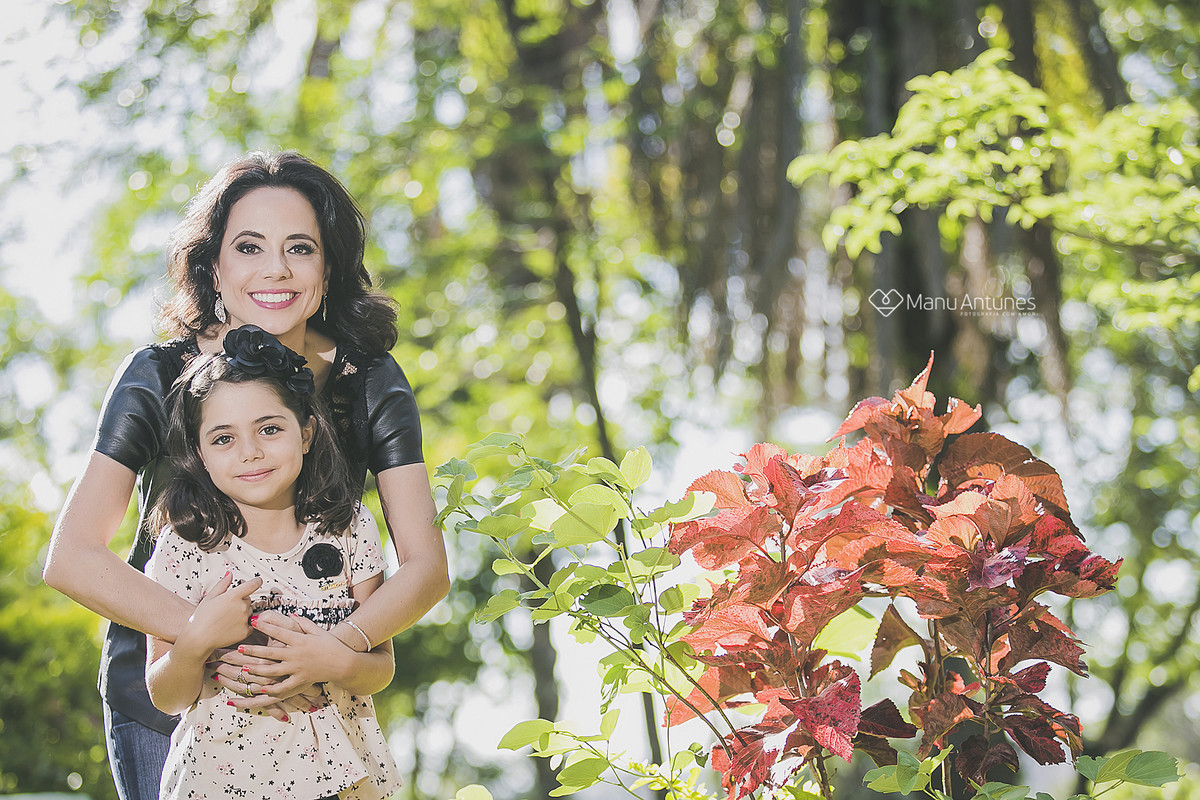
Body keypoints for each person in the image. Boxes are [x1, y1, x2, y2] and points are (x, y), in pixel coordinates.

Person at [43, 151, 450, 800]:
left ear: (329, 267)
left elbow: (425, 565)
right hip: (171, 697)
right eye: (250, 247)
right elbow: (71, 557)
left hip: (319, 701)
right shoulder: (156, 376)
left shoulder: (370, 382)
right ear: (213, 268)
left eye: (300, 248)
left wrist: (338, 651)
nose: (276, 269)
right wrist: (206, 638)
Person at [146, 325, 401, 800]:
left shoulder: (350, 529)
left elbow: (381, 667)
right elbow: (167, 695)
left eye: (269, 428)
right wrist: (197, 639)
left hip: (345, 778)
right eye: (223, 438)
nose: (251, 451)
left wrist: (334, 660)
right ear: (199, 454)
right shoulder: (183, 548)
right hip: (221, 780)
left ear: (305, 432)